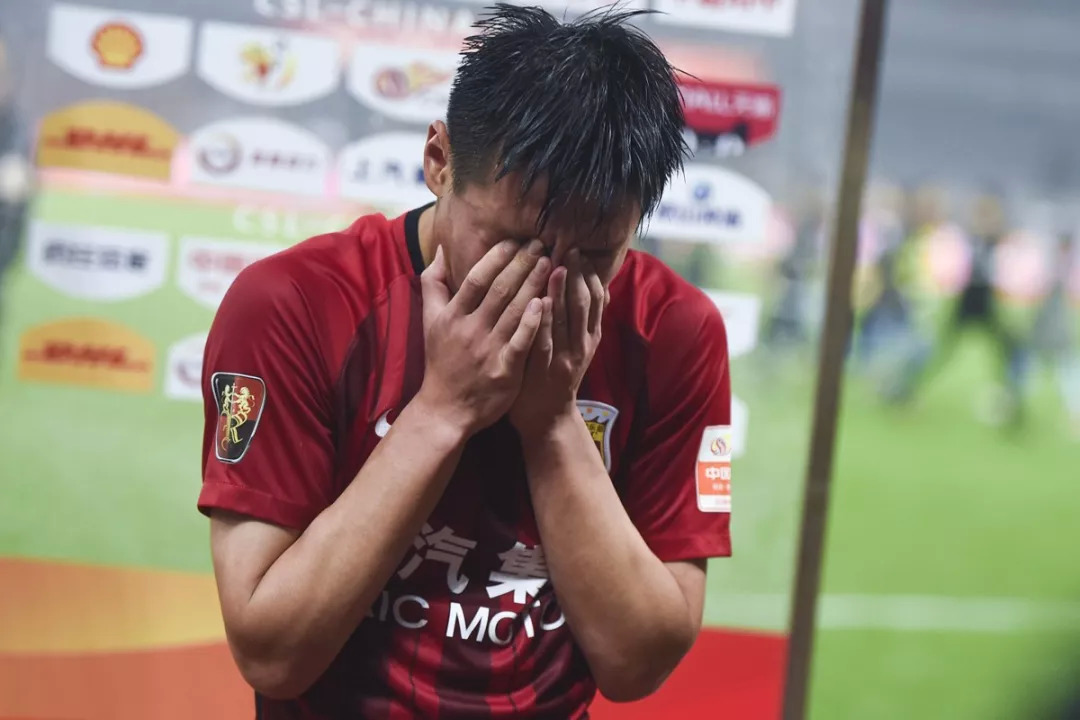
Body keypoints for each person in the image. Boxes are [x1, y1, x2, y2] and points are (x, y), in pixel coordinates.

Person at [198, 6, 732, 719]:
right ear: (439, 161)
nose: (545, 287)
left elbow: (638, 664)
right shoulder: (294, 304)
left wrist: (552, 424)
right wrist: (443, 409)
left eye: (595, 256)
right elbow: (271, 653)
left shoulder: (673, 331)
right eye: (514, 245)